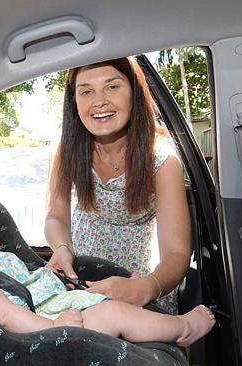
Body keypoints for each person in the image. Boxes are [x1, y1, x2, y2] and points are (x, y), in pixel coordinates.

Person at [0, 193, 214, 346]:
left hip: (58, 305)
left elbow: (32, 280)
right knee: (113, 313)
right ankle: (183, 329)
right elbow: (8, 316)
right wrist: (56, 327)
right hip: (42, 329)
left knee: (118, 297)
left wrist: (67, 284)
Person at [45, 56, 191, 314]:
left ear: (134, 92)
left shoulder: (162, 161)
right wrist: (62, 249)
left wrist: (146, 288)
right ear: (74, 102)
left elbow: (177, 254)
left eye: (112, 86)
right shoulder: (67, 151)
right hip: (82, 274)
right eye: (86, 91)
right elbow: (56, 217)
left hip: (139, 282)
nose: (99, 101)